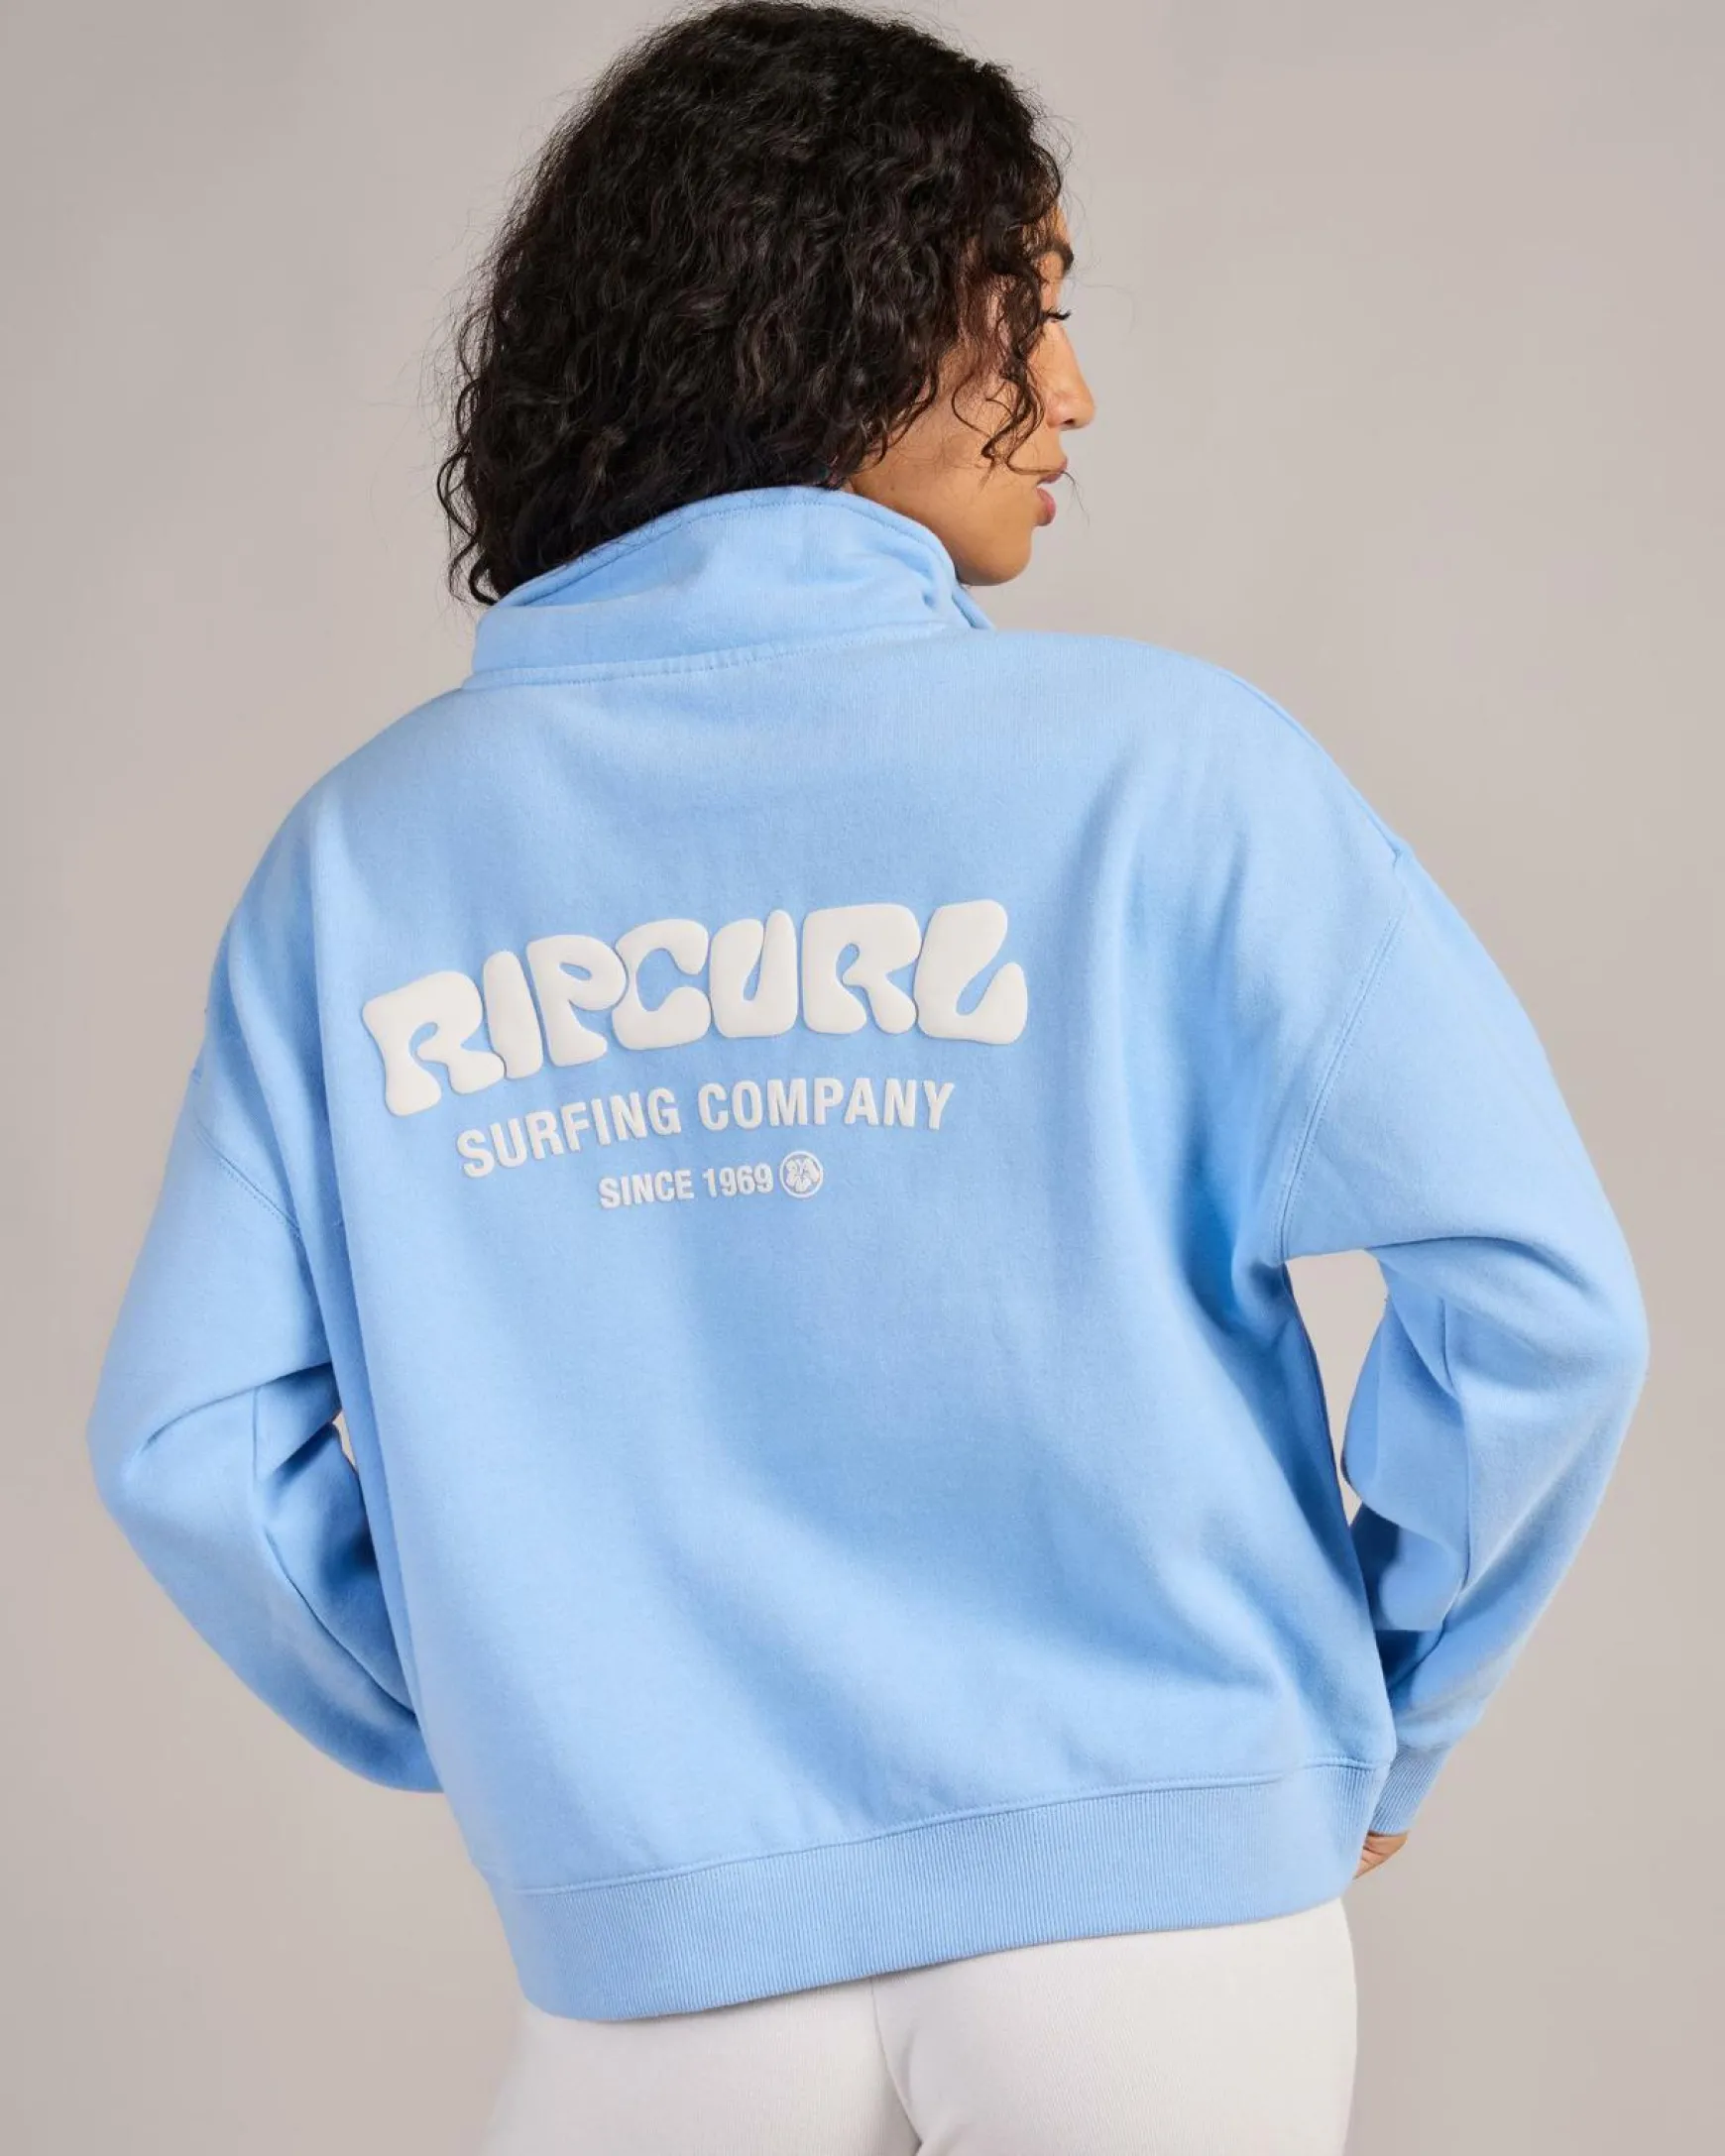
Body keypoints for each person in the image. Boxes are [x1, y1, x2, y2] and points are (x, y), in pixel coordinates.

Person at [84, 5, 1649, 2151]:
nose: (1073, 391)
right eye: (1030, 308)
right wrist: (1390, 1697)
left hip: (658, 1958)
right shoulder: (1175, 780)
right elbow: (1545, 1302)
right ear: (840, 311)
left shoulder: (362, 864)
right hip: (1166, 1922)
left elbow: (188, 1445)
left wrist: (550, 1713)